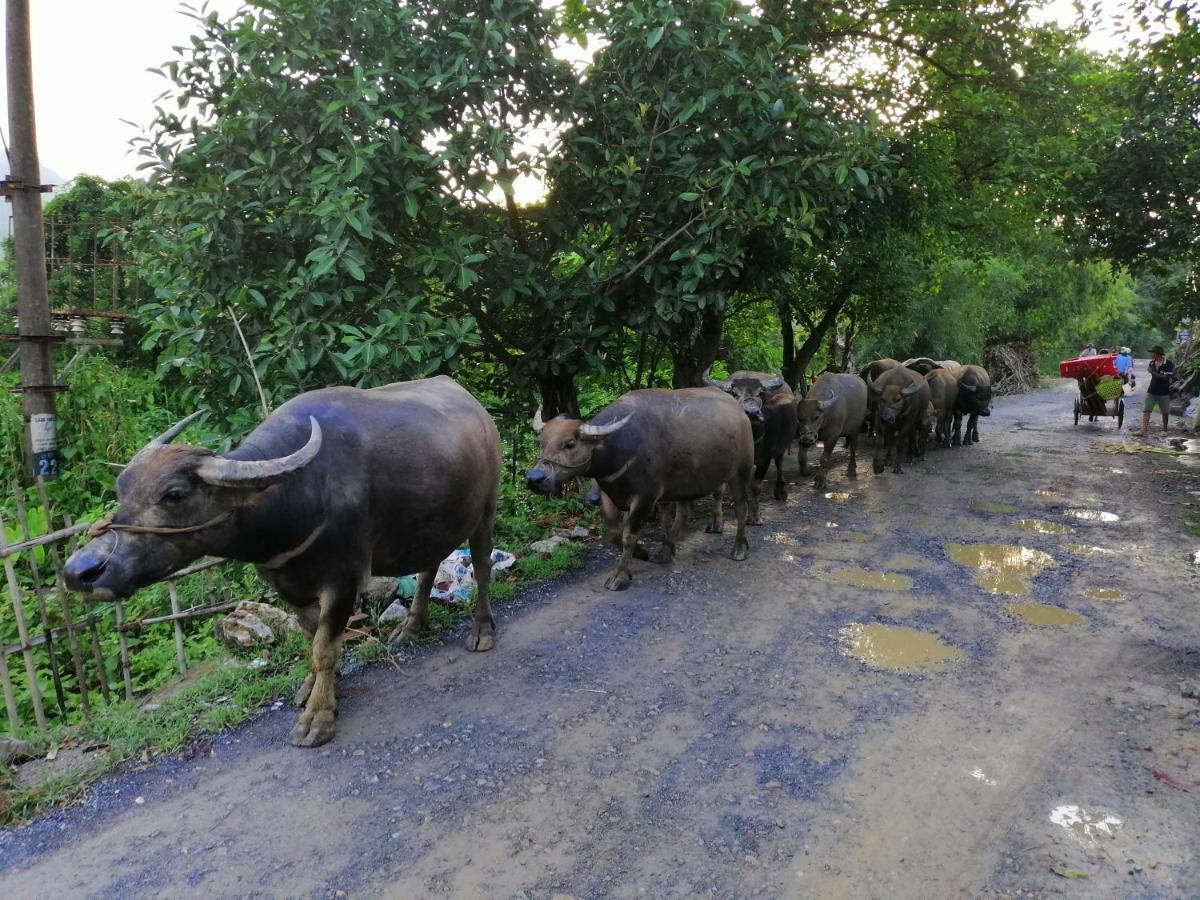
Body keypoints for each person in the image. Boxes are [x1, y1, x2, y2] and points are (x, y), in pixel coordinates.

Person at [1131, 345, 1174, 437]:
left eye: (1153, 353)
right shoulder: (1152, 363)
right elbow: (1155, 375)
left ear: (1158, 354)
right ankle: (1143, 430)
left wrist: (1152, 372)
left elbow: (1166, 378)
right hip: (1151, 391)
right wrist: (1153, 371)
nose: (1151, 354)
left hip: (1164, 392)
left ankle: (1165, 430)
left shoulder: (1169, 364)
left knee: (1165, 412)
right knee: (1147, 410)